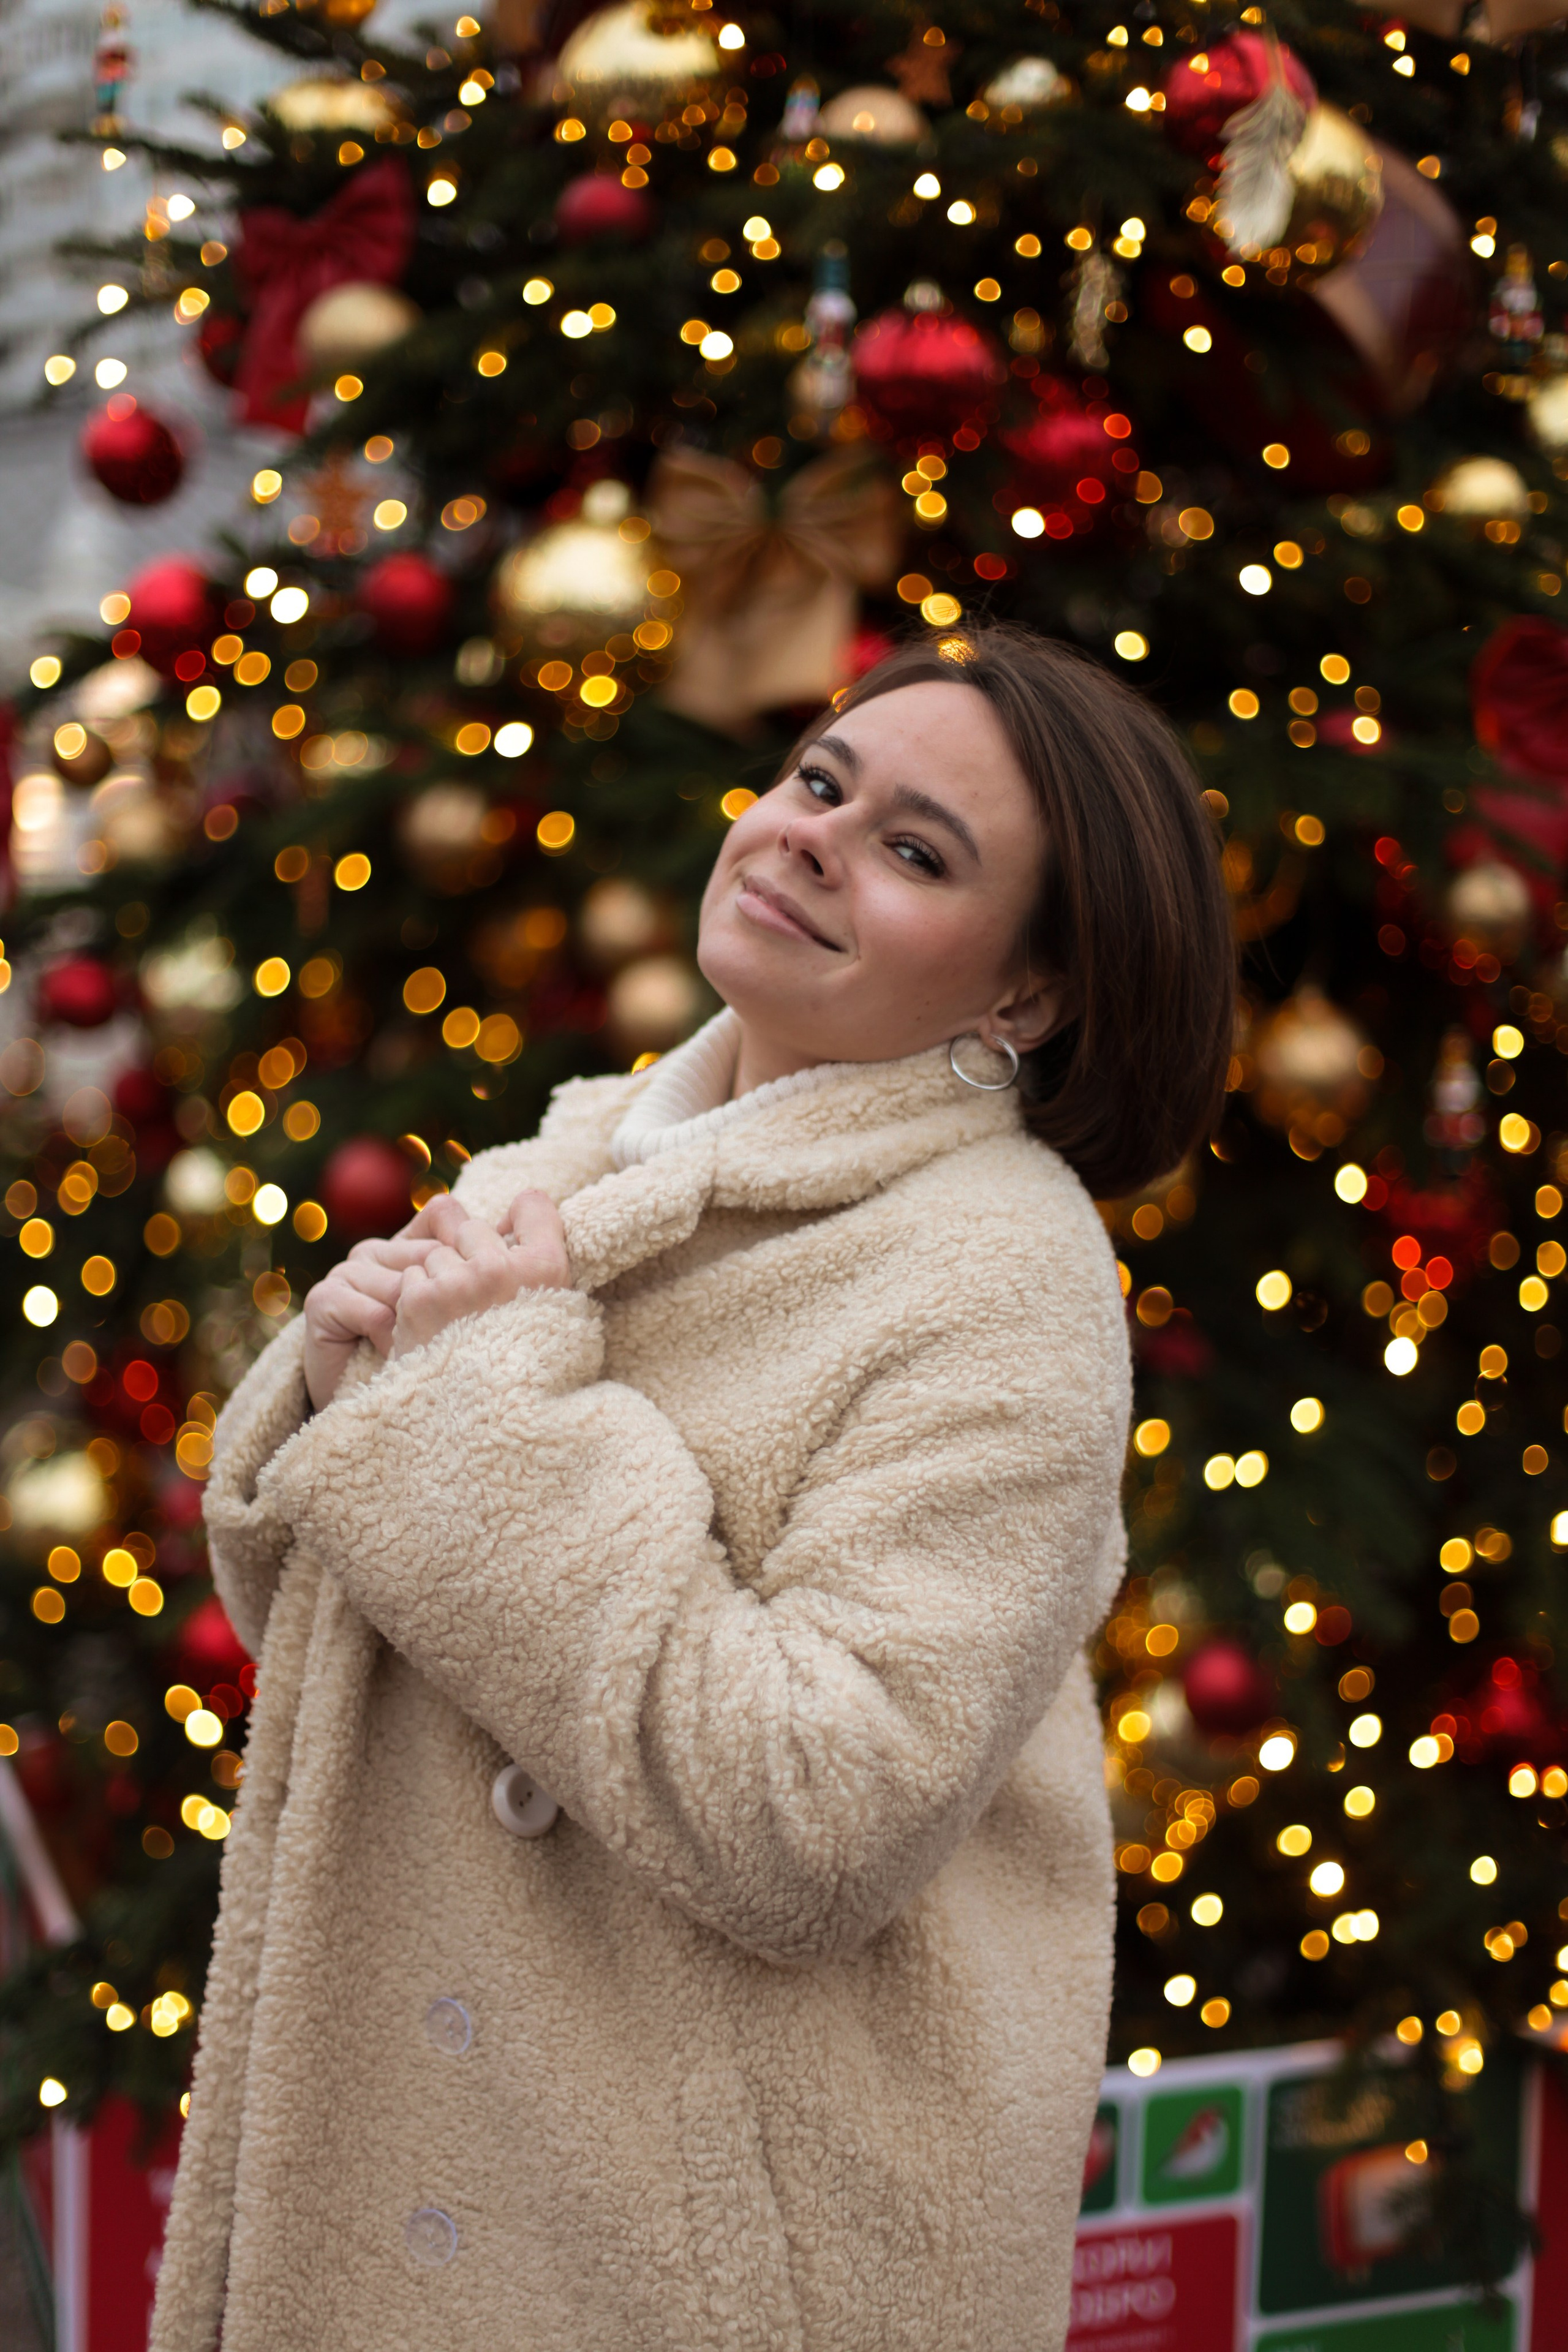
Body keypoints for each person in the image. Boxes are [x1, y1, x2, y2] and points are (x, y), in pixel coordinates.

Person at [151, 624, 1234, 2352]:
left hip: (698, 2255)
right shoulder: (575, 1154)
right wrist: (348, 1391)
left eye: (914, 850)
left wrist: (476, 1406)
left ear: (1023, 995)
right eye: (821, 780)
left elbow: (818, 1819)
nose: (813, 833)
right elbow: (354, 1657)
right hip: (421, 2170)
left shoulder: (1002, 1282)